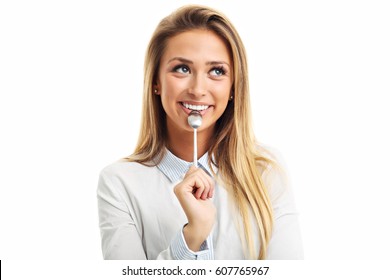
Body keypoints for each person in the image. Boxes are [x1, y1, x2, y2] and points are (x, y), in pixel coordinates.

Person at [97, 4, 303, 260]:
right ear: (156, 82)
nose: (197, 89)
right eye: (182, 68)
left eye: (216, 71)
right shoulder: (119, 183)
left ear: (233, 87)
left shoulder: (266, 171)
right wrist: (191, 237)